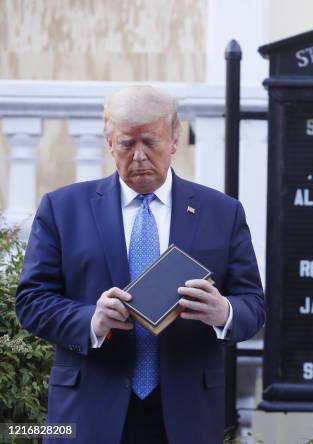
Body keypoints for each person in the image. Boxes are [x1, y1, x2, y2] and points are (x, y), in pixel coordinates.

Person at [15, 85, 265, 444]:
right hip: (88, 413)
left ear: (175, 138)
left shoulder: (221, 213)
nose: (139, 156)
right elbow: (32, 302)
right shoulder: (63, 208)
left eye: (151, 141)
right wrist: (92, 320)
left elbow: (254, 305)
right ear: (108, 141)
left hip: (187, 414)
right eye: (127, 144)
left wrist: (223, 311)